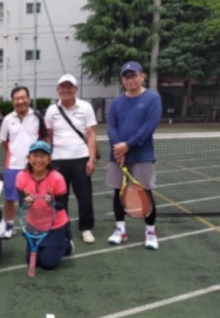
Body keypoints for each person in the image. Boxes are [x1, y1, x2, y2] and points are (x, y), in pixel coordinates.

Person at [106, 61, 162, 250]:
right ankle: (120, 229)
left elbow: (148, 128)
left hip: (142, 155)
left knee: (145, 192)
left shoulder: (153, 98)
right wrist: (118, 149)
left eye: (133, 75)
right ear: (122, 79)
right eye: (126, 76)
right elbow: (111, 127)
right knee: (118, 192)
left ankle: (150, 232)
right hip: (117, 156)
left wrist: (127, 146)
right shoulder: (116, 102)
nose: (130, 79)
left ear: (142, 76)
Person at [45, 74, 98, 244]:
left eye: (69, 86)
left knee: (84, 196)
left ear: (76, 89)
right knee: (60, 197)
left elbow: (91, 134)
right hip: (58, 160)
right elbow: (49, 136)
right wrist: (48, 160)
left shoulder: (86, 107)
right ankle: (63, 227)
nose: (66, 90)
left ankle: (86, 228)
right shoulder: (51, 110)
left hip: (81, 158)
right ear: (57, 90)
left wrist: (91, 159)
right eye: (62, 86)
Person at [15, 140, 73, 270]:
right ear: (28, 158)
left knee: (48, 263)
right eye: (35, 156)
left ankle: (66, 244)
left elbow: (62, 204)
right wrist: (27, 202)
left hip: (55, 225)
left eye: (43, 156)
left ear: (49, 159)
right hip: (34, 225)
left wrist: (52, 202)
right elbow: (21, 203)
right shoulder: (21, 176)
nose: (38, 160)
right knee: (32, 261)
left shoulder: (57, 178)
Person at [0, 86, 47, 238]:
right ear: (13, 101)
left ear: (29, 99)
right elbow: (4, 141)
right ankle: (10, 225)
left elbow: (43, 139)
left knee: (34, 197)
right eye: (16, 98)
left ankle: (33, 224)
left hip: (34, 167)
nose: (20, 101)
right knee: (9, 198)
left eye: (23, 98)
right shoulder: (7, 119)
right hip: (12, 166)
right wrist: (15, 153)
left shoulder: (38, 117)